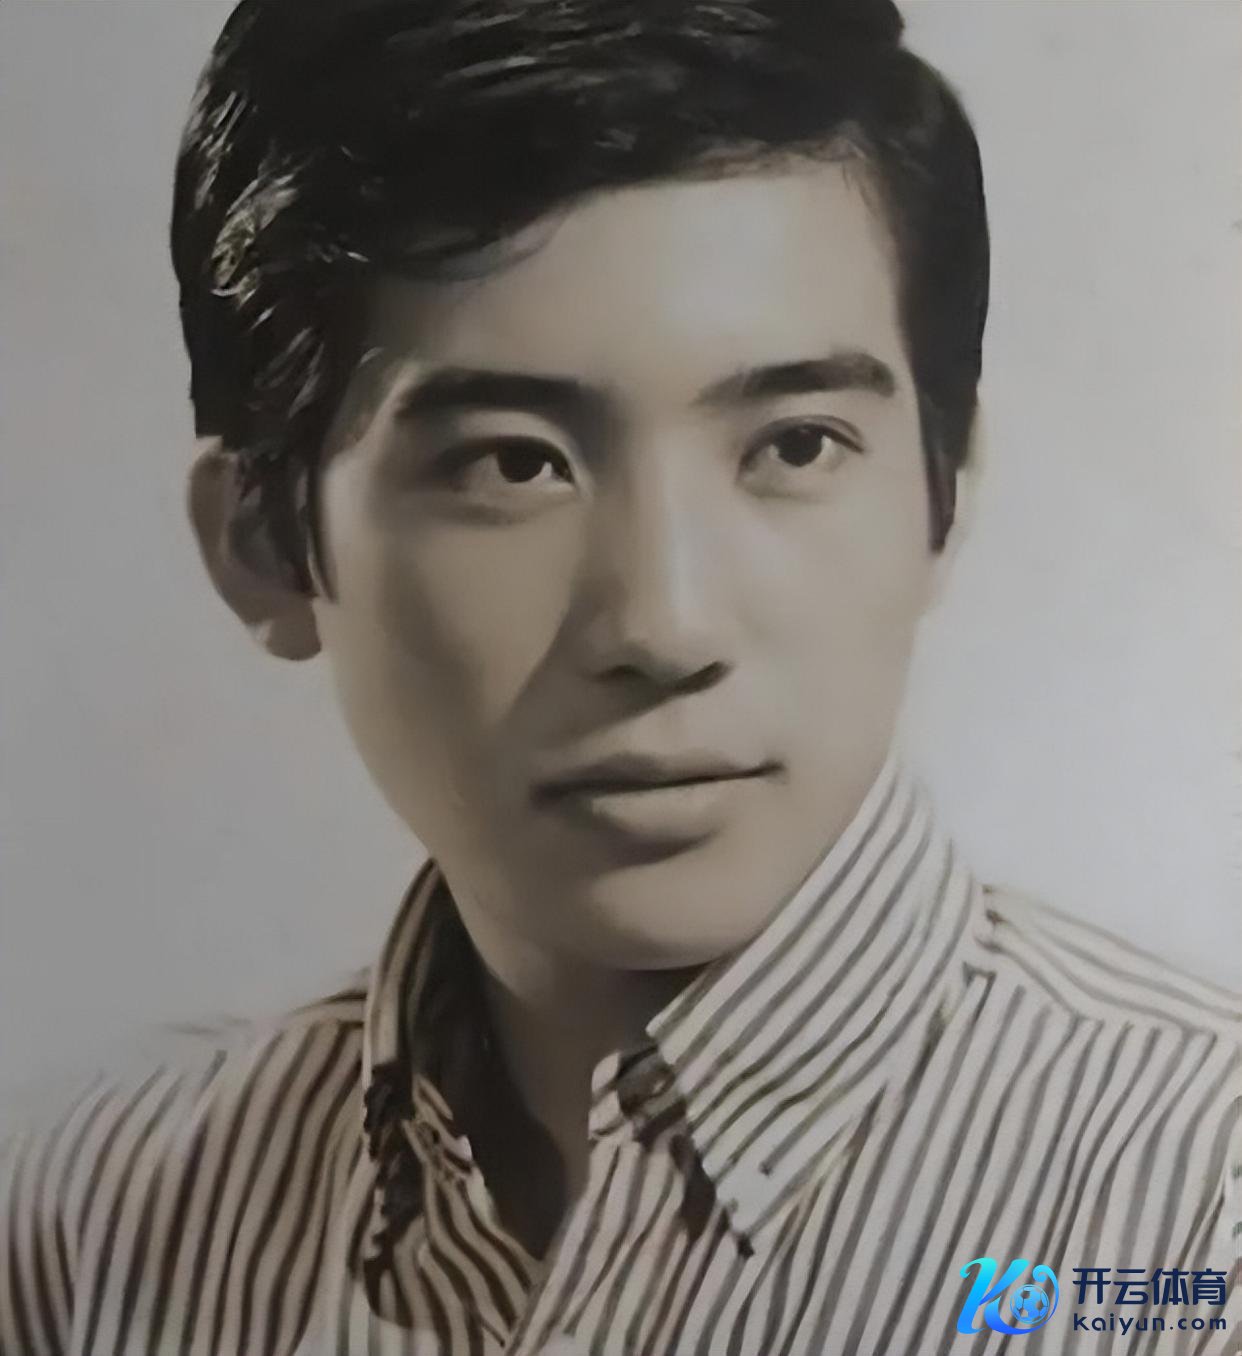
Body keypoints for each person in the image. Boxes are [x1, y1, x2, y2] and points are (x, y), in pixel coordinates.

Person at [2, 0, 1238, 1352]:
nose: (664, 623)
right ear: (264, 544)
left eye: (796, 445)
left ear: (945, 498)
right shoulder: (88, 1223)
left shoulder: (1199, 1217)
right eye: (513, 462)